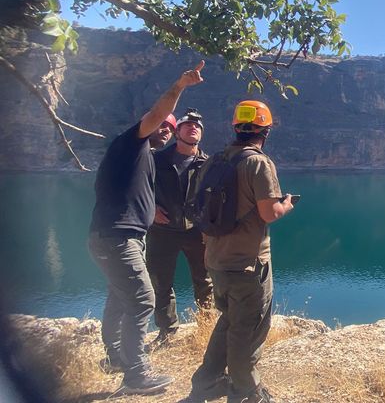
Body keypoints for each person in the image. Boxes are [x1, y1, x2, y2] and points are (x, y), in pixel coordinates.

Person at [88, 61, 205, 395]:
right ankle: (136, 375)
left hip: (115, 236)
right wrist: (180, 85)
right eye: (163, 127)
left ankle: (114, 358)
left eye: (170, 128)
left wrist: (150, 209)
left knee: (119, 297)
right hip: (119, 237)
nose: (166, 130)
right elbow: (158, 114)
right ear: (147, 126)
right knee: (142, 300)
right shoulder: (133, 142)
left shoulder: (141, 157)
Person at [186, 100, 295, 403]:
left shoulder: (214, 160)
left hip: (216, 261)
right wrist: (286, 204)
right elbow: (269, 212)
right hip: (248, 264)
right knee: (248, 333)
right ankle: (246, 393)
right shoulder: (258, 163)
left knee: (229, 321)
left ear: (235, 126)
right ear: (266, 129)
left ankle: (206, 383)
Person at [146, 108, 213, 351]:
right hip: (162, 230)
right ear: (177, 132)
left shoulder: (207, 164)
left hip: (197, 231)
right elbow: (137, 187)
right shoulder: (156, 160)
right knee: (161, 282)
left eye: (197, 126)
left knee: (204, 281)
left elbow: (216, 197)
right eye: (187, 125)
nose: (193, 127)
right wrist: (150, 209)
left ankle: (206, 329)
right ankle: (167, 331)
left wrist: (209, 225)